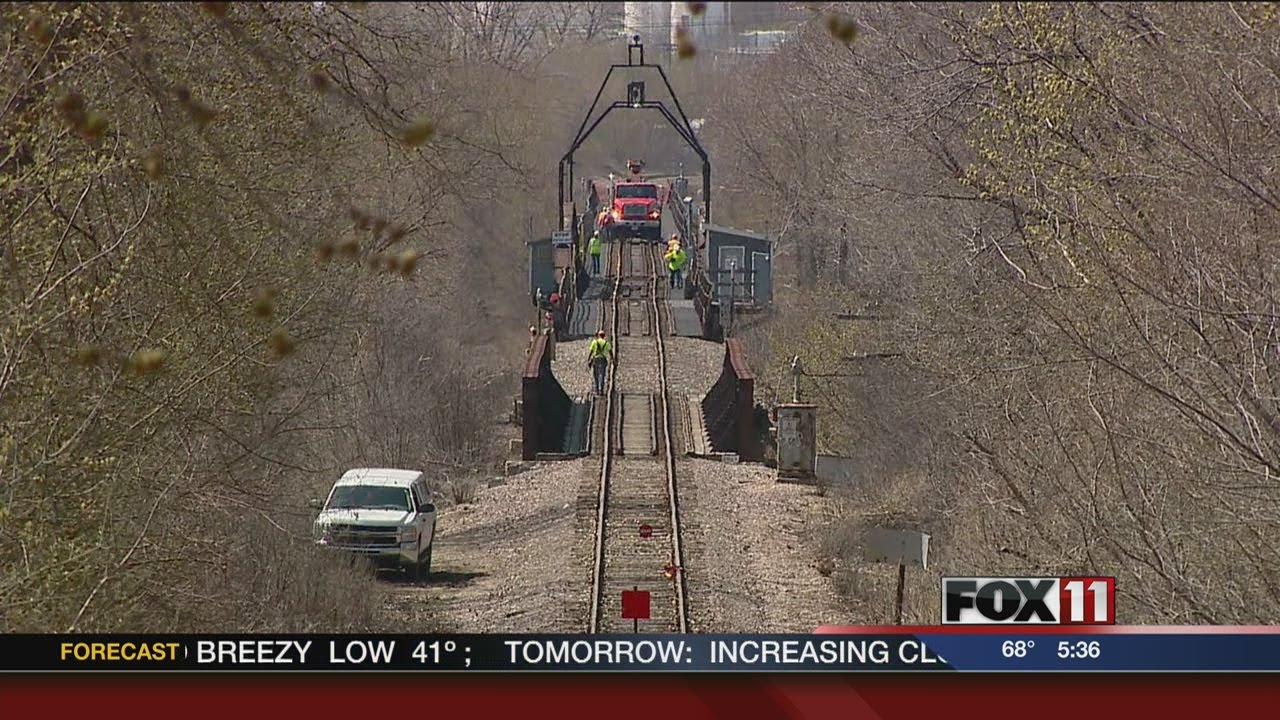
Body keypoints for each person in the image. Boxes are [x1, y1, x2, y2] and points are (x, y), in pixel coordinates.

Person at [586, 330, 612, 396]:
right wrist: (613, 360)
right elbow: (610, 353)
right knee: (602, 375)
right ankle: (601, 390)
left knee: (596, 375)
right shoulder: (607, 343)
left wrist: (588, 359)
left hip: (596, 360)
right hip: (603, 360)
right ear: (604, 336)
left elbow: (591, 351)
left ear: (598, 335)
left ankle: (597, 389)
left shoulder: (594, 342)